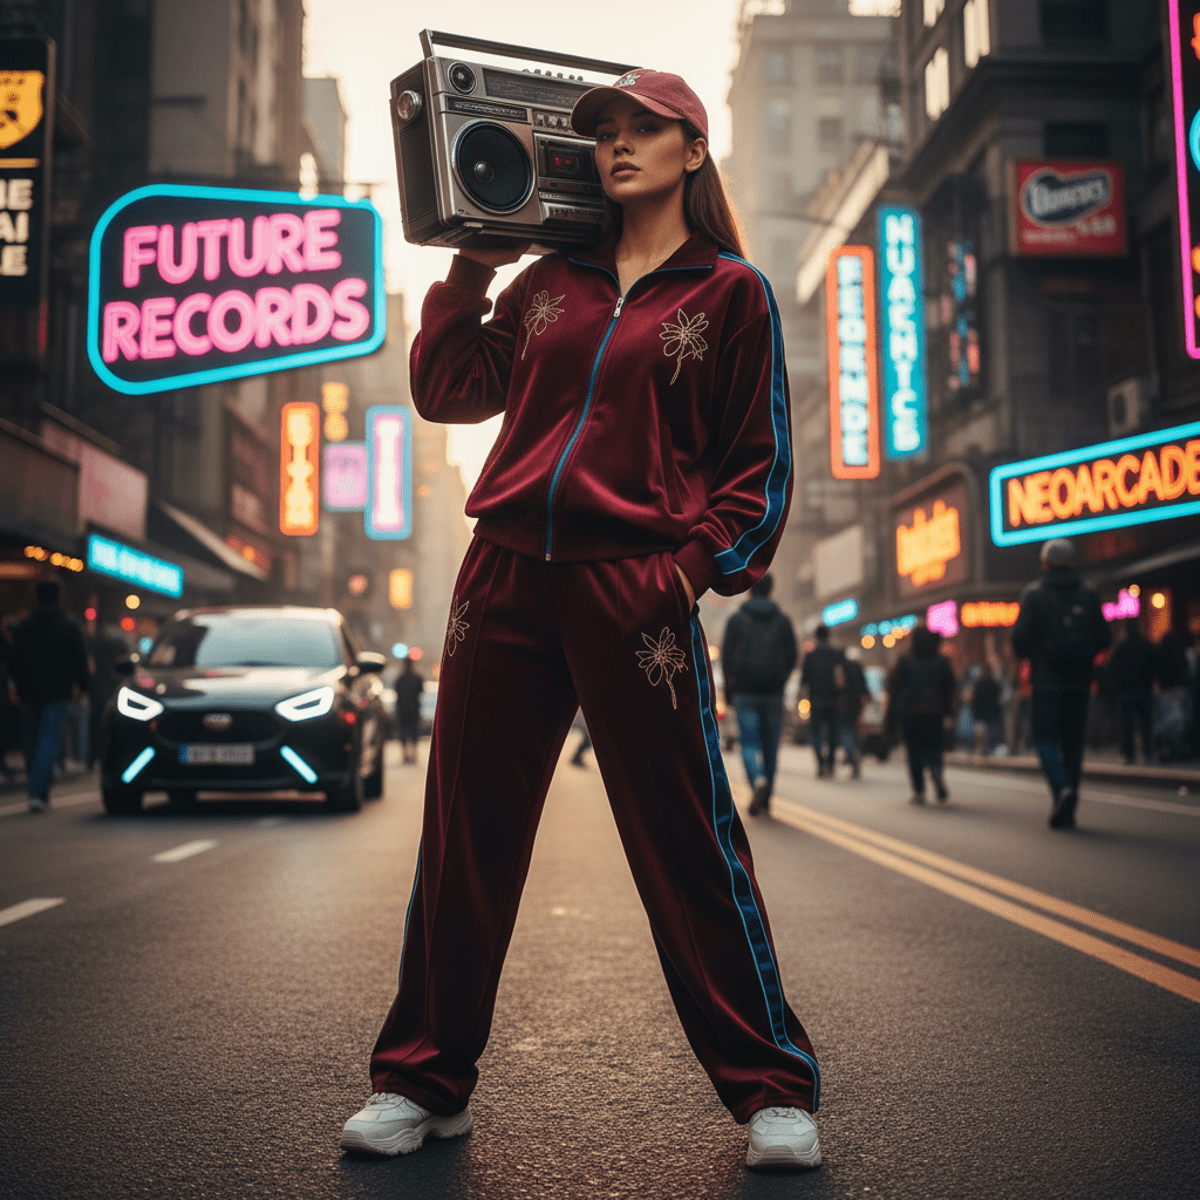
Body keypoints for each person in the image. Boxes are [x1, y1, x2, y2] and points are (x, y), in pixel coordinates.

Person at [341, 70, 821, 1172]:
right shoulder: (552, 281)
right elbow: (452, 387)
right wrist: (471, 268)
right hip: (502, 576)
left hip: (635, 590)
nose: (617, 146)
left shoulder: (730, 293)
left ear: (692, 149)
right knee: (465, 835)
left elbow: (759, 470)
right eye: (602, 131)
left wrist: (689, 572)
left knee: (687, 837)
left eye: (641, 128)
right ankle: (421, 1080)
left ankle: (771, 1091)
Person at [1012, 538, 1110, 829]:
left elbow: (1019, 641)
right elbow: (1105, 638)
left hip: (1046, 681)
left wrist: (1034, 654)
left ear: (1044, 563)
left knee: (1043, 737)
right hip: (1079, 682)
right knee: (1073, 744)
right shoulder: (1089, 594)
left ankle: (1060, 787)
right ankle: (1068, 807)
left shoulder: (1034, 595)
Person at [6, 579, 90, 812]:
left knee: (31, 741)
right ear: (59, 596)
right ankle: (38, 791)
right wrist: (82, 686)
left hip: (29, 693)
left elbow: (14, 662)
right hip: (58, 692)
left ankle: (36, 789)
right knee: (48, 742)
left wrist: (17, 686)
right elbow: (79, 659)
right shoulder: (69, 625)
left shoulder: (25, 626)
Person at [721, 572, 797, 815]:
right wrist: (782, 680)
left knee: (749, 743)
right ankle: (766, 799)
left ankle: (757, 780)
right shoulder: (782, 620)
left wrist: (730, 690)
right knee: (771, 746)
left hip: (745, 692)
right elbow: (793, 655)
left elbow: (726, 658)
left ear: (749, 589)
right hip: (773, 693)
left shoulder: (736, 620)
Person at [886, 625, 955, 804]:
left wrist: (891, 718)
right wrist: (949, 712)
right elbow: (951, 689)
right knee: (935, 748)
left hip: (911, 714)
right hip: (935, 713)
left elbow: (894, 689)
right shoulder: (941, 661)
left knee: (914, 752)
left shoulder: (905, 661)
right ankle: (936, 771)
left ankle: (919, 791)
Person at [1107, 620, 1156, 765]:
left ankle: (1128, 754)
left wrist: (1115, 687)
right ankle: (1148, 752)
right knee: (1146, 724)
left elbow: (1111, 669)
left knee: (1126, 724)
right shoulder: (1146, 644)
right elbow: (1154, 665)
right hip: (1144, 690)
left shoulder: (1121, 646)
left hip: (1125, 691)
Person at [800, 625, 843, 778]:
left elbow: (804, 680)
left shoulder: (811, 656)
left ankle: (820, 763)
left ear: (817, 637)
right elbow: (841, 678)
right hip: (833, 700)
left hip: (816, 699)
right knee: (832, 733)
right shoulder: (837, 654)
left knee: (816, 733)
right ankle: (830, 763)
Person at [838, 649, 867, 779]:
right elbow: (864, 687)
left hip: (844, 705)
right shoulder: (857, 667)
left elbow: (838, 686)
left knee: (846, 731)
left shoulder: (840, 668)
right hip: (856, 705)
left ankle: (851, 755)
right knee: (854, 731)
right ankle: (854, 754)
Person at [392, 656, 425, 765]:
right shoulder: (417, 678)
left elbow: (396, 692)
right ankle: (414, 754)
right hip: (414, 709)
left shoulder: (400, 679)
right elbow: (421, 691)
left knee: (403, 731)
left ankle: (406, 755)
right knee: (414, 731)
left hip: (402, 709)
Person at [969, 661, 1003, 755]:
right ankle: (989, 750)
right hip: (989, 714)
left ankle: (986, 750)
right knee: (988, 735)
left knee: (984, 735)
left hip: (984, 714)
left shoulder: (979, 684)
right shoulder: (993, 684)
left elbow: (975, 700)